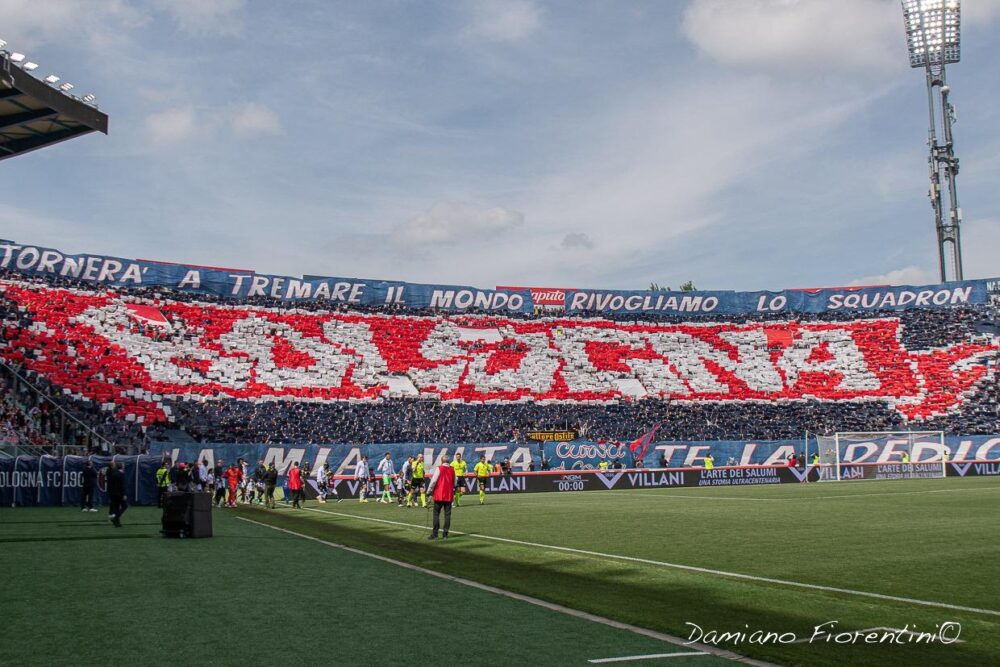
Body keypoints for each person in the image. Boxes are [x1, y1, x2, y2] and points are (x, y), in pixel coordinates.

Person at [426, 453, 456, 540]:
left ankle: (435, 534)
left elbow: (433, 481)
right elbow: (454, 482)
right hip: (449, 495)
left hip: (439, 495)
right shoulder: (452, 470)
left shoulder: (439, 468)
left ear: (441, 461)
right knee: (447, 515)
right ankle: (445, 534)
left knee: (436, 514)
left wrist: (429, 492)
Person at [107, 462, 127, 527]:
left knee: (116, 508)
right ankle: (115, 518)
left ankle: (117, 523)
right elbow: (122, 485)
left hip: (113, 493)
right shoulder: (121, 474)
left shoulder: (114, 474)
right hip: (120, 493)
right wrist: (124, 494)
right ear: (121, 467)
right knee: (124, 506)